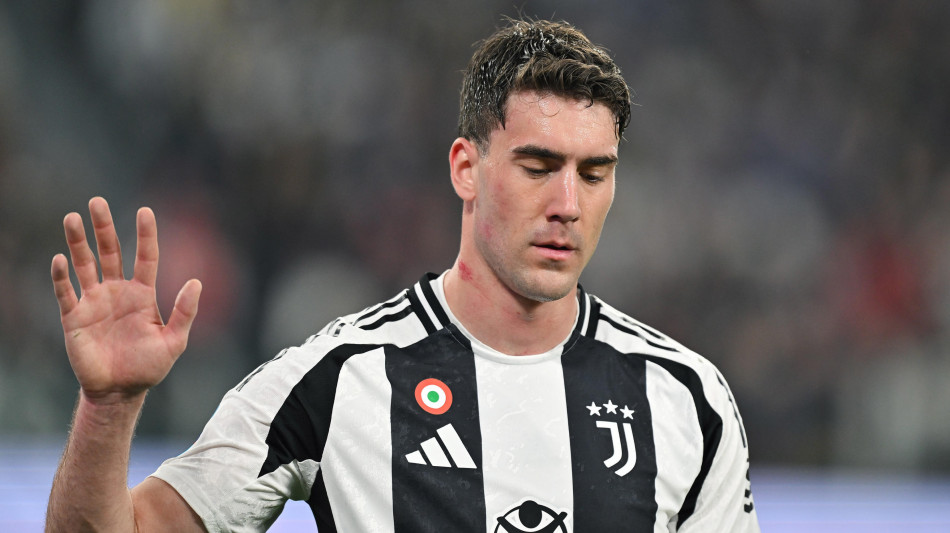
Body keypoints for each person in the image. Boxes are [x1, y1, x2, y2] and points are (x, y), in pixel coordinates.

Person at [46, 18, 760, 532]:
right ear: (466, 168)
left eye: (594, 174)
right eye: (538, 167)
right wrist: (108, 409)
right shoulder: (338, 378)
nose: (568, 204)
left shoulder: (685, 399)